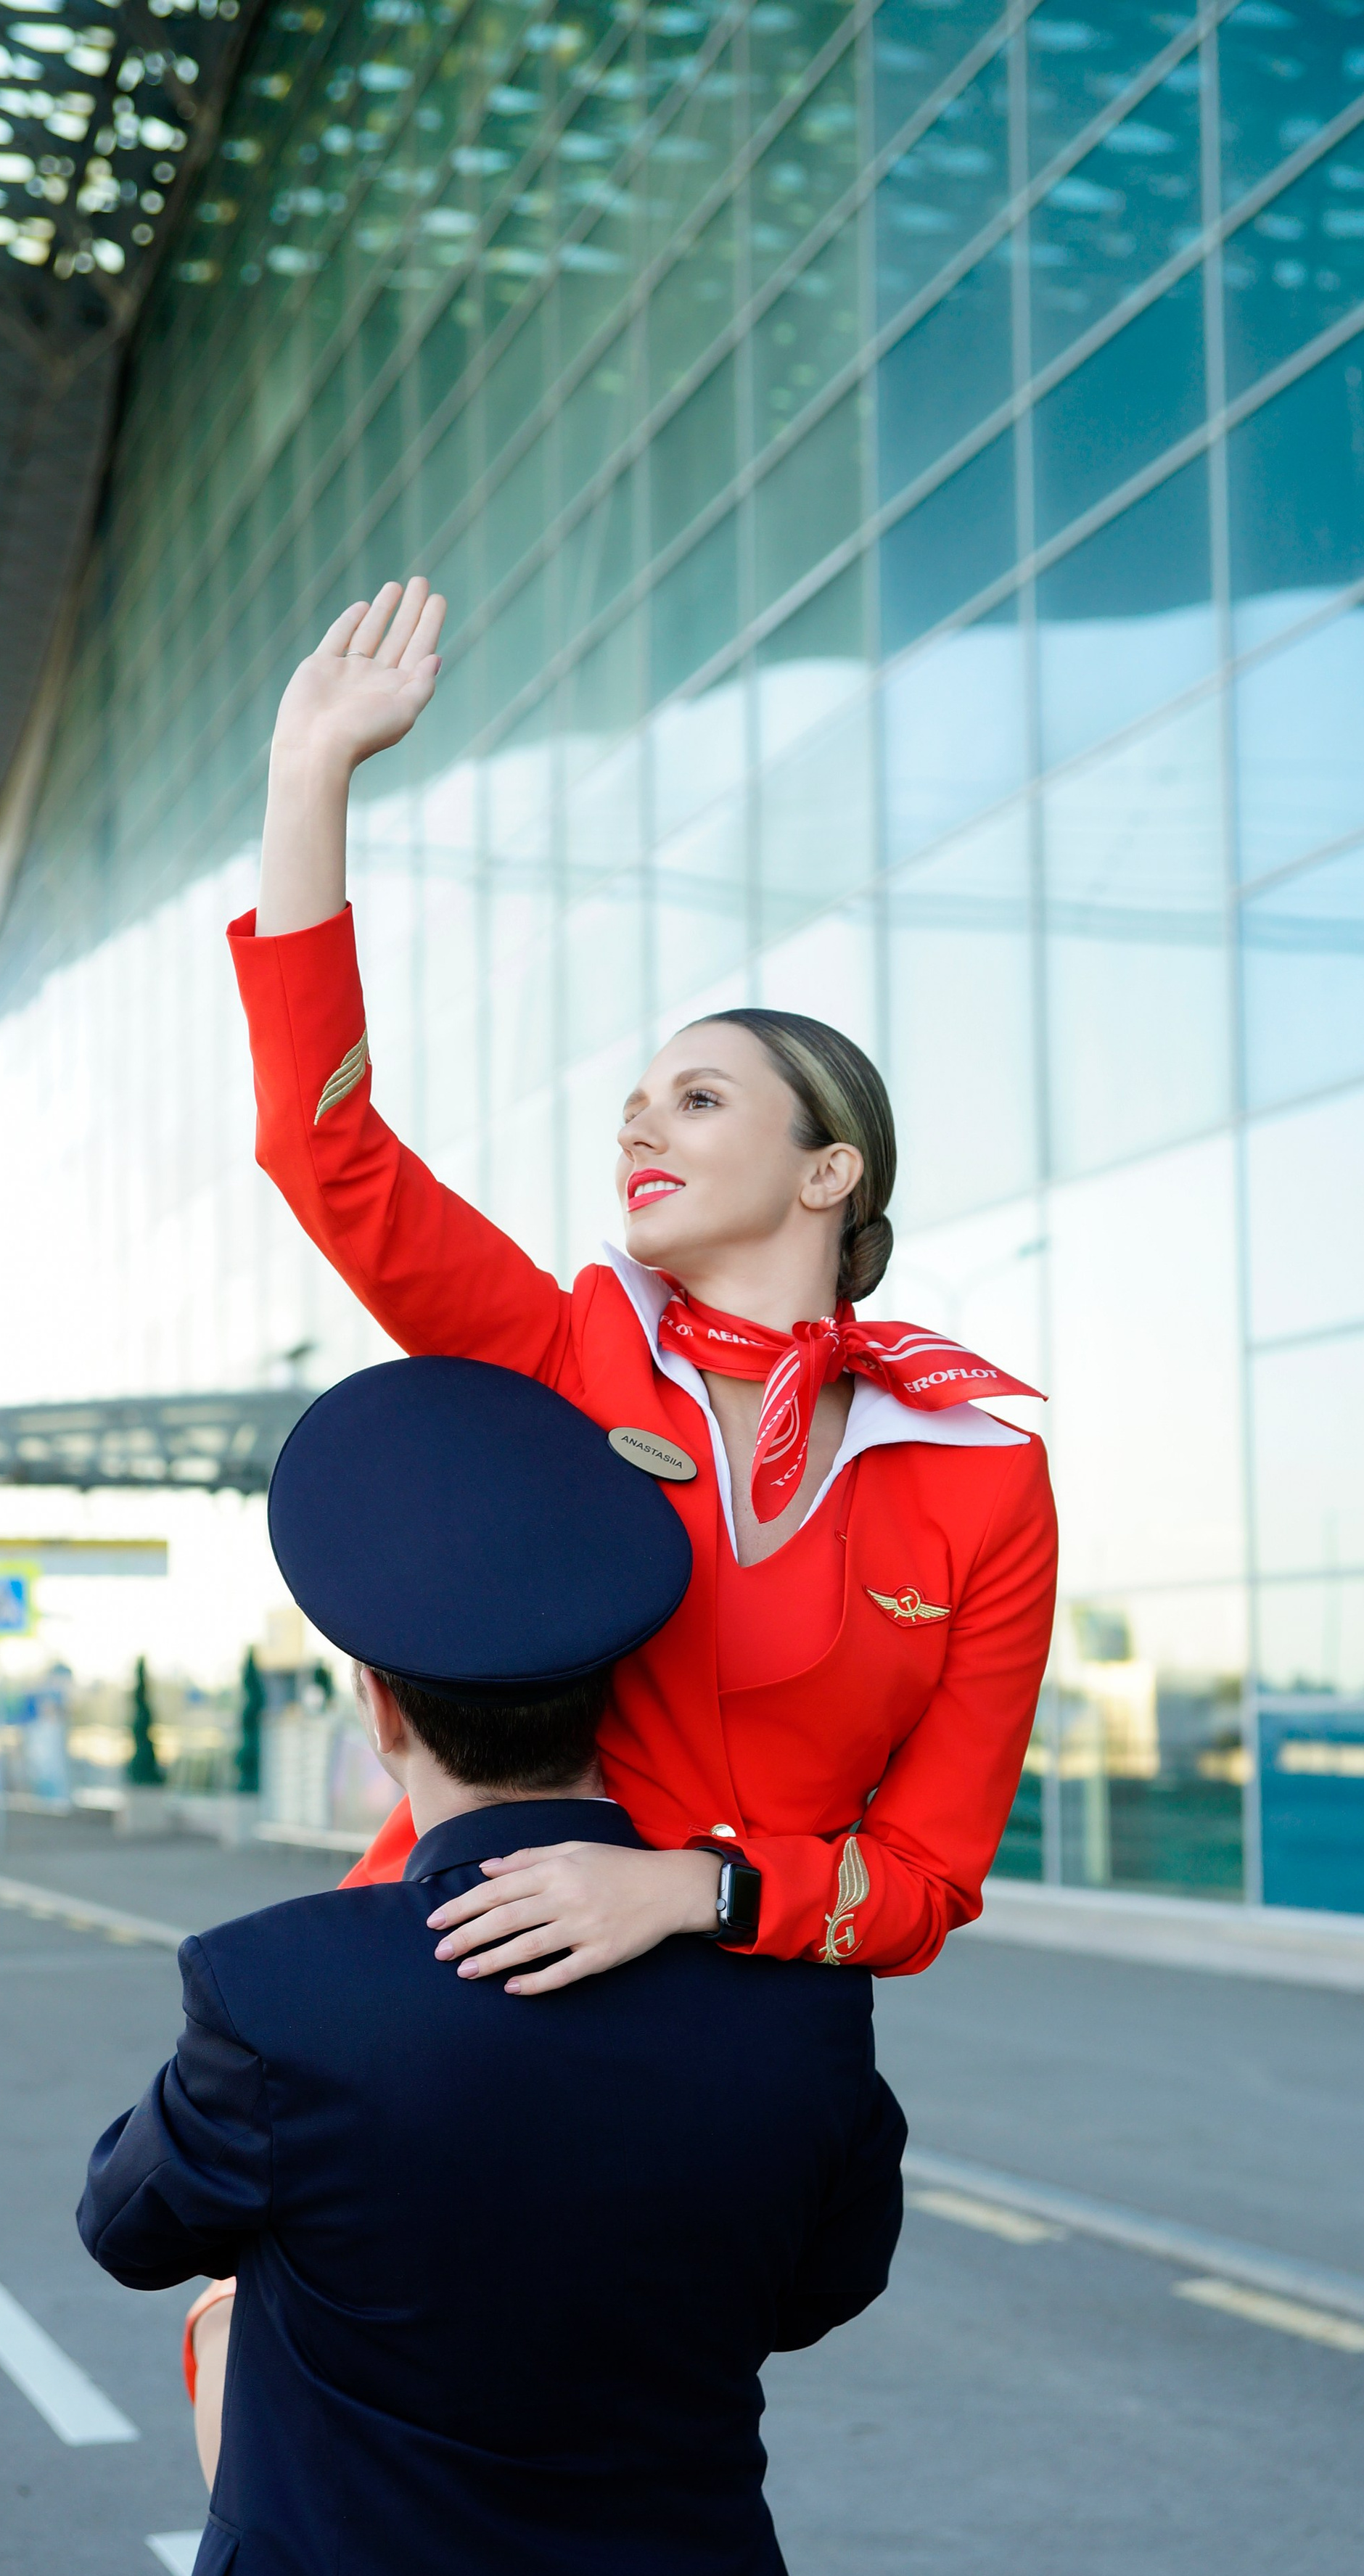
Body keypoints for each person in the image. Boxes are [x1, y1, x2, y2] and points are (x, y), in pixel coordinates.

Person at [79, 1356, 906, 2576]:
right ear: (609, 1703)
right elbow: (814, 2291)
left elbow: (127, 2225)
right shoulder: (798, 2011)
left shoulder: (281, 1990)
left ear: (379, 1711)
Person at [230, 575, 1059, 1991]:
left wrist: (693, 1889)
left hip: (749, 2023)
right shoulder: (559, 1347)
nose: (636, 1125)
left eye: (694, 1099)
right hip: (455, 1981)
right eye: (633, 1101)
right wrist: (308, 777)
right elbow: (325, 1151)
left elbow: (926, 1880)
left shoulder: (979, 1472)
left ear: (825, 1171)